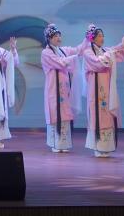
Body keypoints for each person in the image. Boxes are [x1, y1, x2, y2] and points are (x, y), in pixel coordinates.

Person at [80, 21, 124, 157]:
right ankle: (98, 146)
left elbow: (120, 49)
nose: (102, 38)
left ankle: (107, 146)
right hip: (95, 90)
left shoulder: (106, 50)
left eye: (103, 35)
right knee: (98, 114)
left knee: (107, 115)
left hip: (108, 89)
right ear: (93, 38)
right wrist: (110, 54)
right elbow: (98, 63)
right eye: (99, 36)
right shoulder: (88, 52)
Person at [41, 23, 89, 153]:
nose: (58, 38)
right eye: (55, 36)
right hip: (53, 89)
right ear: (49, 38)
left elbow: (79, 50)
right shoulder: (46, 53)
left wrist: (87, 38)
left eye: (59, 35)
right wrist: (73, 58)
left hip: (64, 89)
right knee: (55, 113)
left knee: (65, 113)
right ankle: (55, 143)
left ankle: (64, 143)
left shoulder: (63, 50)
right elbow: (60, 63)